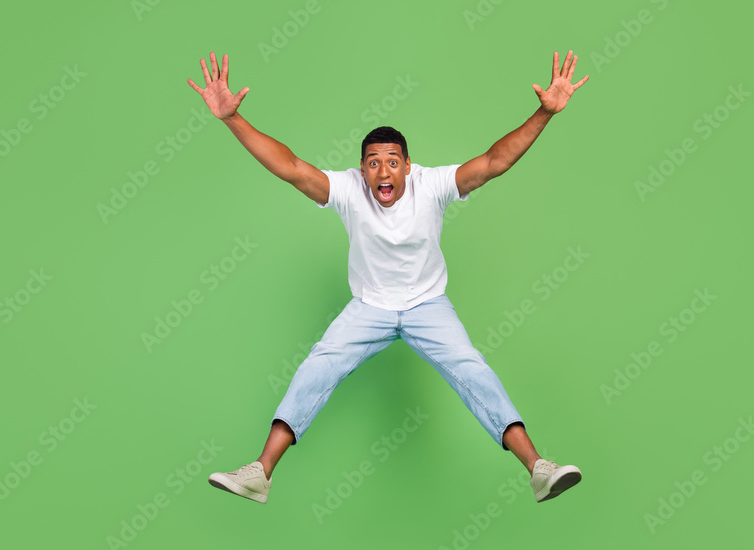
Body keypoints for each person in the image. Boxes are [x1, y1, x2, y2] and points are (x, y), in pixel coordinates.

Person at [187, 50, 588, 505]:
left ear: (408, 167)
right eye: (373, 162)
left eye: (392, 161)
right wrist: (232, 120)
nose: (383, 171)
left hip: (427, 306)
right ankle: (260, 472)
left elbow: (494, 161)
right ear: (362, 170)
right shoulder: (347, 190)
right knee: (318, 366)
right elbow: (291, 167)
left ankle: (538, 468)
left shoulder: (432, 185)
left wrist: (544, 113)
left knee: (472, 370)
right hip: (369, 308)